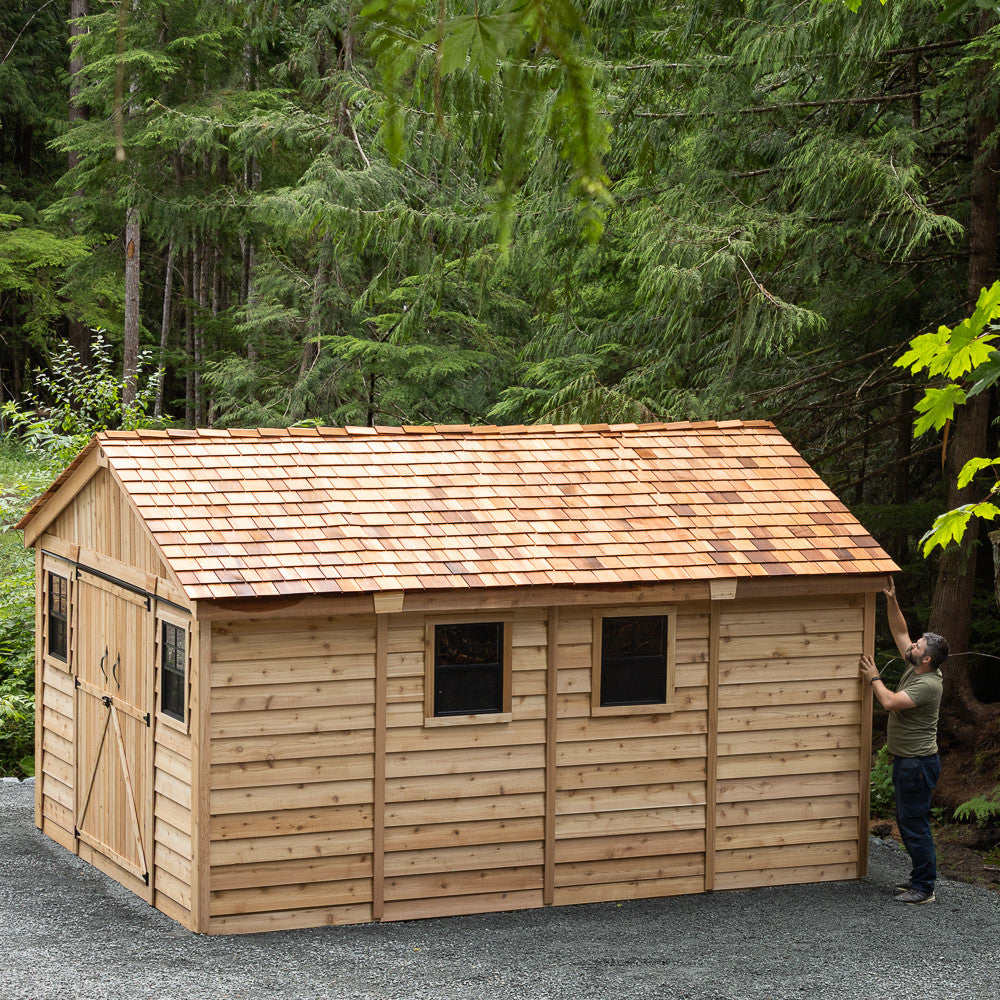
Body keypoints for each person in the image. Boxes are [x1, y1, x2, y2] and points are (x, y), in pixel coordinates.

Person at [859, 577, 947, 905]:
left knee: (914, 826)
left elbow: (890, 703)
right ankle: (918, 880)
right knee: (908, 822)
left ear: (926, 660)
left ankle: (924, 888)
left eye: (918, 647)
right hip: (909, 763)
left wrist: (874, 677)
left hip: (917, 765)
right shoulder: (918, 666)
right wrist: (891, 600)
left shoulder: (928, 686)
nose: (912, 646)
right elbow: (899, 632)